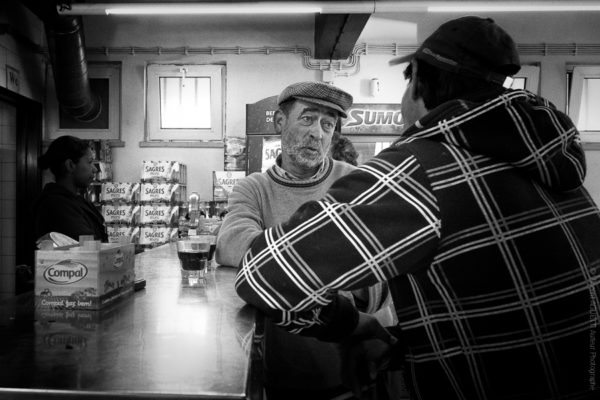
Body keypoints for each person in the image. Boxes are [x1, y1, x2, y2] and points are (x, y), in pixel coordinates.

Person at [235, 16, 600, 400]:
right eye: (307, 119)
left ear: (420, 84)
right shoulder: (551, 162)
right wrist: (398, 345)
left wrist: (352, 327)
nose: (317, 133)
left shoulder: (418, 168)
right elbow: (495, 309)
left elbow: (264, 276)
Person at [217, 82, 392, 399]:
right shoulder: (253, 188)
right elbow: (231, 244)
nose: (318, 134)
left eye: (328, 125)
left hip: (351, 372)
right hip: (281, 375)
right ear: (280, 123)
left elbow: (377, 276)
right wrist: (335, 266)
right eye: (308, 119)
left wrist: (279, 271)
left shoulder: (355, 181)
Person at [33, 135, 107, 242]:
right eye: (89, 162)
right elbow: (89, 247)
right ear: (70, 165)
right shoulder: (55, 205)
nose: (95, 169)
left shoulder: (76, 200)